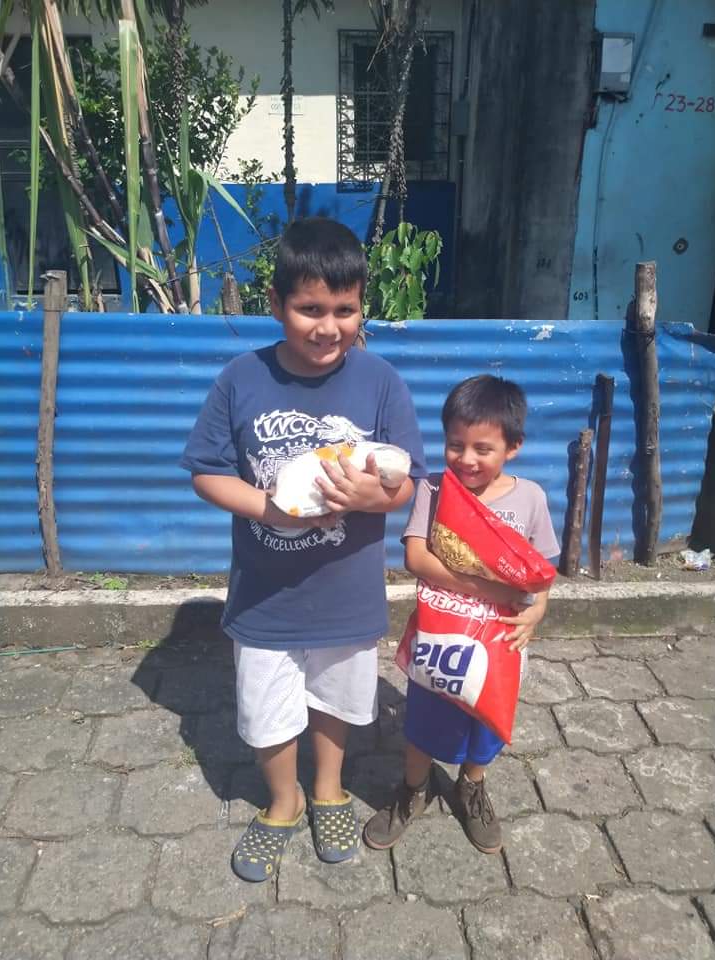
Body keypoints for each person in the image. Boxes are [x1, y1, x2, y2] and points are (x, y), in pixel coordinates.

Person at [180, 217, 425, 882]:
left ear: (361, 307)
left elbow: (408, 480)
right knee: (266, 711)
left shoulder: (380, 381)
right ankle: (283, 801)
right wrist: (271, 508)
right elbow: (205, 471)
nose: (328, 327)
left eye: (345, 310)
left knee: (337, 701)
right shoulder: (242, 378)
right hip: (265, 597)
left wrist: (374, 497)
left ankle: (328, 789)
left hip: (347, 594)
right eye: (310, 309)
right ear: (276, 304)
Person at [363, 374, 559, 855]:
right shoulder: (434, 489)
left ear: (513, 447)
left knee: (487, 721)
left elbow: (542, 575)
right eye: (456, 445)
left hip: (501, 642)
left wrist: (536, 612)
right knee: (424, 717)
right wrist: (490, 589)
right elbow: (417, 557)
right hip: (441, 635)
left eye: (483, 448)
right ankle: (414, 788)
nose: (466, 459)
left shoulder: (530, 498)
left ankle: (472, 786)